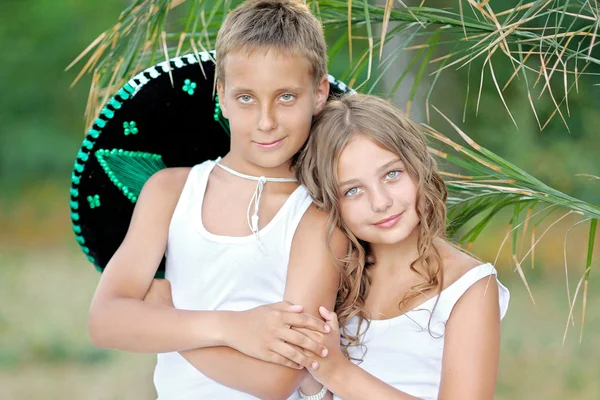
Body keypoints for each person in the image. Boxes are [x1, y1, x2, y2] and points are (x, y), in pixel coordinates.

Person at [88, 1, 346, 399]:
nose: (265, 120)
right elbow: (105, 321)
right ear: (221, 96)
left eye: (286, 97)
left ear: (319, 94)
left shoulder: (318, 214)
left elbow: (277, 381)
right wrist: (230, 326)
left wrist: (164, 319)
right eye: (246, 98)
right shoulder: (170, 191)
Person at [294, 94, 510, 400]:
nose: (381, 202)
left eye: (392, 174)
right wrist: (312, 377)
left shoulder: (469, 287)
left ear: (418, 165)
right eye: (353, 190)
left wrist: (335, 370)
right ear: (329, 203)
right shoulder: (336, 280)